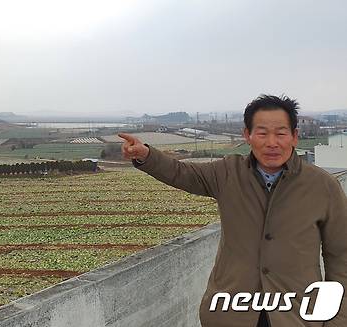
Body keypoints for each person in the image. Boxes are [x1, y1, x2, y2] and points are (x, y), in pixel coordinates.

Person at [119, 95, 347, 327]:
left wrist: (337, 321)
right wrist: (146, 155)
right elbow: (182, 173)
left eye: (280, 133)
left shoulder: (323, 186)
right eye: (262, 133)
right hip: (231, 313)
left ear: (294, 137)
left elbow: (341, 257)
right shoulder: (228, 173)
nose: (271, 142)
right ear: (247, 135)